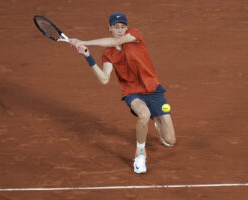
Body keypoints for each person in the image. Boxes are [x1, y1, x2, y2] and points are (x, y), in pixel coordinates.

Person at [69, 13, 176, 174]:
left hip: (154, 89)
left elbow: (115, 42)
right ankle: (140, 155)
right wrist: (88, 56)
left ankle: (157, 119)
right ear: (109, 28)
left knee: (170, 141)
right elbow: (104, 79)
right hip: (132, 93)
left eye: (122, 27)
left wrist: (83, 41)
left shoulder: (134, 35)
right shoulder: (108, 54)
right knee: (143, 114)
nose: (120, 30)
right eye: (116, 27)